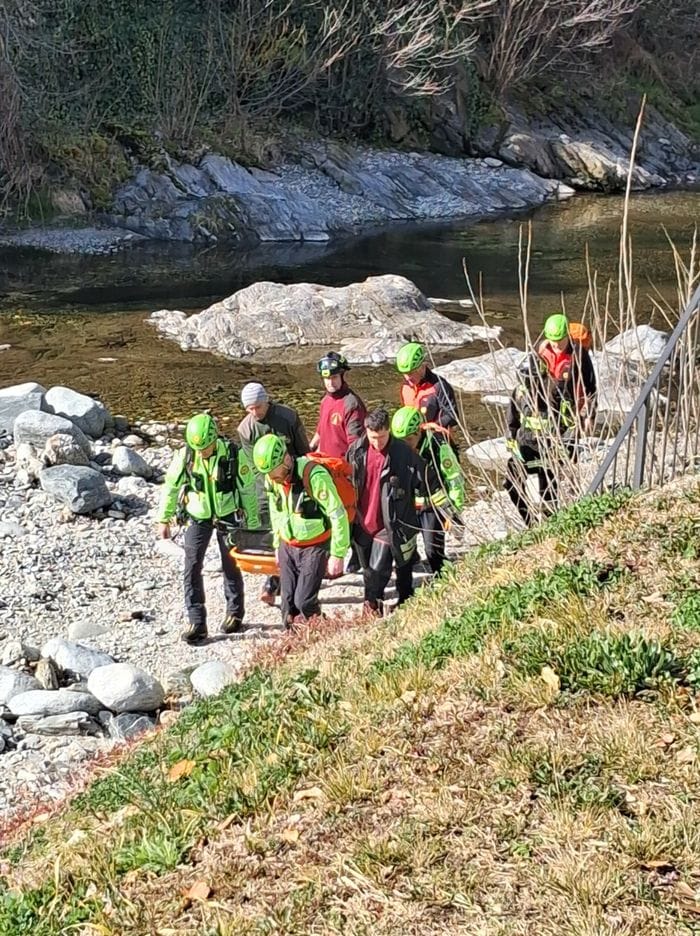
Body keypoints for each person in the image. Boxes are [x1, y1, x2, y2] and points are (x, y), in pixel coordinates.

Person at [158, 413, 259, 644]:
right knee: (191, 567)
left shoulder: (233, 455)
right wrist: (163, 519)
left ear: (214, 438)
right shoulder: (186, 456)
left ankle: (234, 613)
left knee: (231, 566)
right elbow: (172, 487)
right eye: (197, 447)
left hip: (228, 516)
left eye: (205, 447)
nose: (201, 452)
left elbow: (248, 490)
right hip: (198, 517)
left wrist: (252, 523)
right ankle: (197, 622)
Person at [504, 312, 598, 527]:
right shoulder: (536, 361)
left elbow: (590, 389)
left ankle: (552, 524)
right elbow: (513, 415)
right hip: (529, 439)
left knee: (550, 486)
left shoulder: (579, 356)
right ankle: (532, 523)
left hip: (559, 429)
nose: (556, 346)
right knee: (513, 482)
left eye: (560, 342)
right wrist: (512, 441)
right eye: (552, 342)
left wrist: (586, 417)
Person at [252, 434, 350, 628]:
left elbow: (337, 514)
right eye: (268, 474)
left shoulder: (314, 476)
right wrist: (276, 545)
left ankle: (326, 631)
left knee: (304, 601)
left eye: (274, 472)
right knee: (287, 605)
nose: (272, 478)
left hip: (315, 545)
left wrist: (338, 554)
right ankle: (293, 642)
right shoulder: (272, 479)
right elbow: (275, 510)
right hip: (287, 545)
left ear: (286, 460)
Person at [237, 382, 310, 606]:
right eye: (249, 409)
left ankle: (301, 575)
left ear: (267, 400)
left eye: (258, 407)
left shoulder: (288, 417)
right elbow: (254, 468)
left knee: (299, 531)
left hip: (294, 480)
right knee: (274, 534)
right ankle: (273, 580)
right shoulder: (245, 429)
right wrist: (261, 498)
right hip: (268, 485)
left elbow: (304, 451)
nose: (254, 412)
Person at [347, 407, 425, 615]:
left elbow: (424, 479)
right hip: (362, 520)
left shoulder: (402, 453)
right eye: (373, 437)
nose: (377, 443)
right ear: (366, 431)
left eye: (382, 437)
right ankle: (374, 603)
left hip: (389, 522)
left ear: (388, 430)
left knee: (378, 569)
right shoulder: (357, 450)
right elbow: (346, 480)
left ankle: (371, 607)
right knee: (368, 571)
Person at [391, 406, 465, 575]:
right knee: (401, 550)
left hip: (433, 504)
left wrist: (454, 512)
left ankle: (444, 578)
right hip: (408, 504)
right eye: (400, 440)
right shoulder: (397, 447)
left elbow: (454, 479)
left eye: (408, 439)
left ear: (418, 432)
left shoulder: (438, 446)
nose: (405, 445)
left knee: (433, 552)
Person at [309, 352, 367, 457]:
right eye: (327, 378)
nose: (330, 382)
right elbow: (320, 431)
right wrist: (310, 448)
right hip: (325, 463)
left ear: (342, 376)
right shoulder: (325, 400)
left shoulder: (352, 404)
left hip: (341, 467)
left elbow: (356, 445)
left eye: (334, 377)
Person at [396, 341, 458, 434]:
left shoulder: (439, 386)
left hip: (436, 439)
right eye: (404, 373)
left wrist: (433, 425)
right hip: (411, 439)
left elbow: (453, 416)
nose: (408, 378)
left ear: (423, 366)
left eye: (411, 373)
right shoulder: (405, 386)